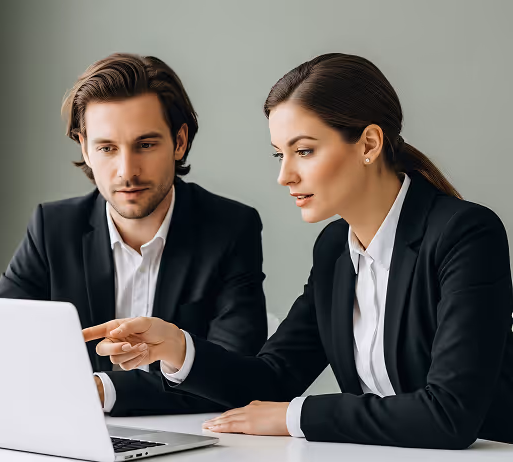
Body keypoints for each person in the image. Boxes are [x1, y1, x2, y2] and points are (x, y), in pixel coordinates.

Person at [83, 53, 513, 448]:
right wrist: (175, 345)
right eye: (279, 154)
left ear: (368, 144)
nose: (285, 175)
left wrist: (296, 416)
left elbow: (450, 415)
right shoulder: (334, 250)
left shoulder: (465, 234)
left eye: (304, 151)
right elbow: (274, 377)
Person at [0, 53, 268, 417]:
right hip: (74, 433)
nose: (127, 171)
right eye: (107, 148)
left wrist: (99, 389)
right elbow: (5, 346)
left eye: (145, 145)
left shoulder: (231, 228)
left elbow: (232, 376)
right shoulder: (52, 228)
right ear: (85, 149)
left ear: (179, 142)